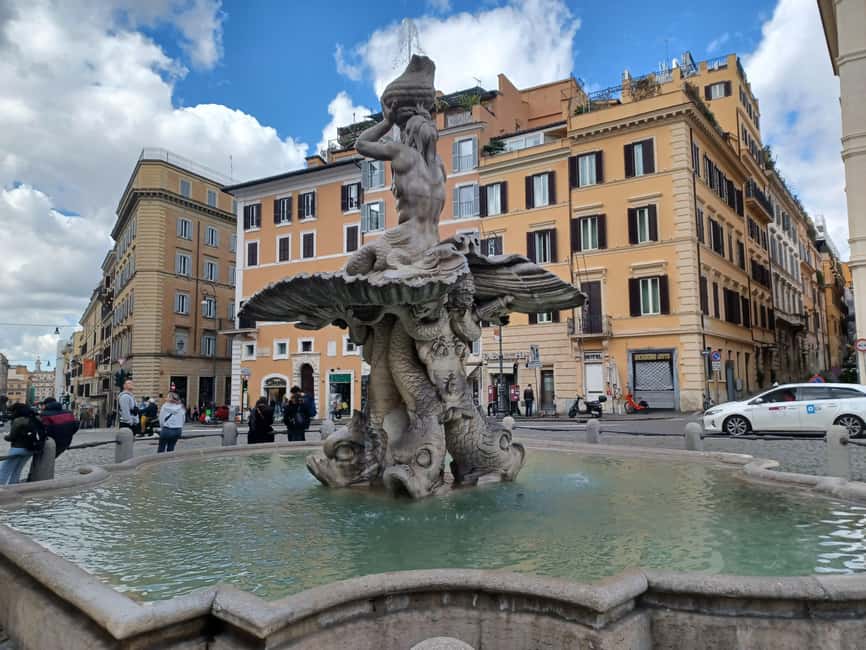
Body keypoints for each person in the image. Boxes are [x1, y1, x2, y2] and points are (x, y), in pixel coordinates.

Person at [0, 404, 44, 485]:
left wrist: (5, 437)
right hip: (31, 449)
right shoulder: (35, 419)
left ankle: (1, 488)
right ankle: (13, 486)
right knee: (17, 469)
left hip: (18, 448)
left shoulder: (18, 420)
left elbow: (12, 437)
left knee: (4, 469)